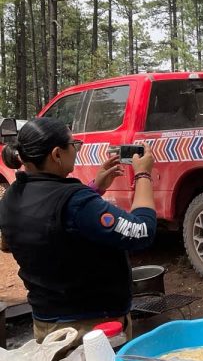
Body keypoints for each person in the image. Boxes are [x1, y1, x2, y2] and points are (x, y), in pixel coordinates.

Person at [0, 117, 156, 346]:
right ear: (57, 154)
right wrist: (143, 175)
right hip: (90, 329)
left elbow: (26, 234)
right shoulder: (75, 202)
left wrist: (94, 188)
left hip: (46, 325)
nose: (76, 150)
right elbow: (142, 230)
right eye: (74, 144)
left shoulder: (12, 196)